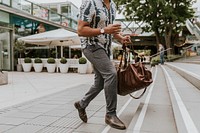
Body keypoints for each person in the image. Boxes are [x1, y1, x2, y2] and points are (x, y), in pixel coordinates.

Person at [74, 0, 131, 130]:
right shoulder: (90, 3)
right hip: (91, 46)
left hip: (105, 48)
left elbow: (109, 29)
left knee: (99, 83)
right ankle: (110, 114)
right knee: (111, 74)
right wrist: (104, 30)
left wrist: (121, 38)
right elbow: (81, 30)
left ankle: (81, 105)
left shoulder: (113, 6)